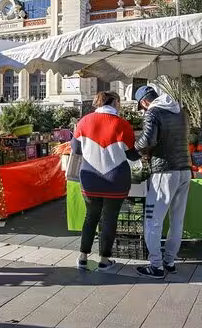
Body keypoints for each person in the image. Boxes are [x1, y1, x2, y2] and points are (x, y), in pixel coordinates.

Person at [72, 91, 137, 272]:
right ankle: (104, 261)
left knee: (90, 217)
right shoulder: (123, 124)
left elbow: (76, 149)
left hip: (90, 177)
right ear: (115, 102)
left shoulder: (84, 121)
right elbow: (132, 154)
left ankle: (82, 258)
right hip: (115, 179)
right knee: (109, 219)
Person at [134, 85, 191, 279]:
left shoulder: (153, 112)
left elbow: (148, 140)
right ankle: (170, 261)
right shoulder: (179, 111)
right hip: (184, 170)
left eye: (141, 107)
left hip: (164, 172)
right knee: (177, 220)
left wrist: (133, 151)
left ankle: (156, 266)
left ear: (144, 102)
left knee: (153, 220)